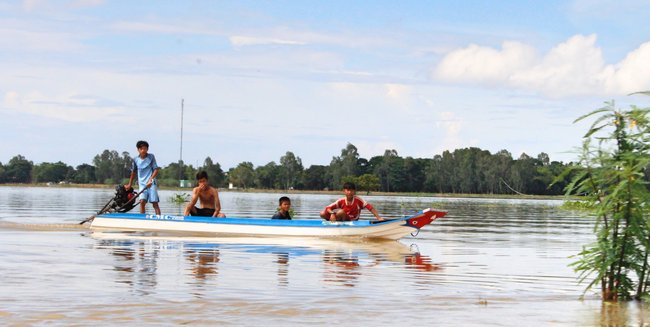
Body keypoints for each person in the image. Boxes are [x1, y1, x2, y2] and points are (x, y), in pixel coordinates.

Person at [125, 140, 161, 215]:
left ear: (147, 149)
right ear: (138, 150)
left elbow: (156, 169)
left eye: (145, 148)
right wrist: (130, 184)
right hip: (142, 184)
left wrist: (150, 180)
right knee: (142, 202)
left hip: (151, 183)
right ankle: (142, 218)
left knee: (155, 203)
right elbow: (133, 172)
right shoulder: (136, 159)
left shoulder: (151, 157)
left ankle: (159, 219)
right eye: (141, 149)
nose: (143, 150)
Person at [320, 182, 384, 222]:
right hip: (342, 219)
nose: (350, 192)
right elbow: (328, 207)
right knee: (322, 213)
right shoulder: (341, 201)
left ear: (354, 191)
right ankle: (332, 224)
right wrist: (332, 213)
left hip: (352, 220)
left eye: (351, 190)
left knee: (341, 212)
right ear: (344, 191)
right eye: (348, 190)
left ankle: (335, 222)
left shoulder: (358, 200)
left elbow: (370, 207)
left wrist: (379, 217)